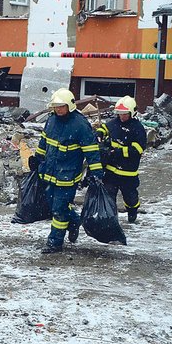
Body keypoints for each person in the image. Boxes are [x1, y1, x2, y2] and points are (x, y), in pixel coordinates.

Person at [28, 88, 103, 254]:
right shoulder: (52, 120)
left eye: (61, 106)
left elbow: (91, 151)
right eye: (55, 107)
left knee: (59, 209)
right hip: (49, 172)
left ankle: (55, 242)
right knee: (54, 205)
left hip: (67, 176)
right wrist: (37, 159)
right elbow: (44, 142)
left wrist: (96, 172)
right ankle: (74, 221)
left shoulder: (80, 125)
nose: (58, 109)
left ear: (69, 105)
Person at [97, 95, 147, 223]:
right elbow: (104, 128)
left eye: (124, 114)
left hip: (128, 171)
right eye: (119, 114)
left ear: (132, 113)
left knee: (130, 197)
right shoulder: (114, 123)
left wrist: (119, 152)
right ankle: (110, 218)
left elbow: (138, 150)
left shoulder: (138, 128)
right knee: (109, 195)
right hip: (111, 170)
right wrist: (99, 133)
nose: (121, 117)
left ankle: (132, 211)